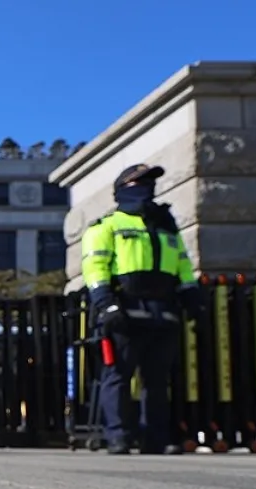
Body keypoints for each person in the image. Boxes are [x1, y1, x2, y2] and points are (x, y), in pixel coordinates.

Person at [81, 163, 201, 455]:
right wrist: (105, 303)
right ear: (123, 189)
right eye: (140, 183)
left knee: (158, 381)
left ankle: (155, 439)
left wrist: (192, 296)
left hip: (163, 312)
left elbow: (183, 265)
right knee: (118, 376)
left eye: (150, 182)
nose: (148, 188)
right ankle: (118, 437)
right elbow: (95, 267)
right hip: (124, 310)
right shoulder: (107, 226)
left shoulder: (166, 227)